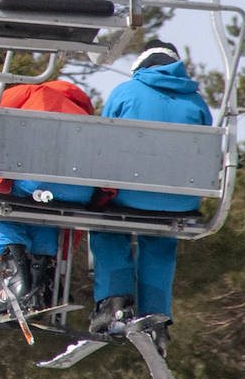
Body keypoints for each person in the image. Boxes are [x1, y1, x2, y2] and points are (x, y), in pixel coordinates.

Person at [88, 39, 213, 355]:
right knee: (160, 239)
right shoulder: (197, 104)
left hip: (130, 194)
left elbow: (101, 142)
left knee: (108, 229)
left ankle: (114, 303)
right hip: (179, 201)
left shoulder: (125, 93)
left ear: (140, 66)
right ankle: (156, 318)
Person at [0, 80, 95, 321]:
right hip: (79, 190)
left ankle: (14, 278)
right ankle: (40, 279)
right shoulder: (84, 114)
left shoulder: (34, 91)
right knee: (46, 217)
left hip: (34, 177)